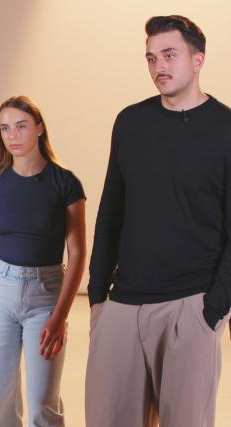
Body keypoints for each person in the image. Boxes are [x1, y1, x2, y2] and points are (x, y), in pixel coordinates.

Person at [86, 15, 231, 427]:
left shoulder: (226, 128)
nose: (158, 67)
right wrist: (97, 298)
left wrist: (213, 310)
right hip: (122, 305)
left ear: (198, 60)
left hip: (191, 303)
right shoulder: (130, 122)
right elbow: (110, 211)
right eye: (151, 58)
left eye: (169, 55)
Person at [0, 96, 86, 427]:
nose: (12, 136)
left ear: (39, 128)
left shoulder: (65, 183)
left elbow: (77, 254)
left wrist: (60, 316)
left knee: (42, 403)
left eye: (21, 126)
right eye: (5, 129)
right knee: (0, 403)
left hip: (46, 294)